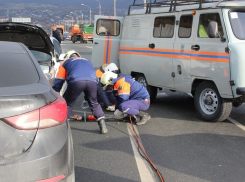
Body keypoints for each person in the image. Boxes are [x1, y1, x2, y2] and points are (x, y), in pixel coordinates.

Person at [52, 50, 108, 134]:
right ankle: (103, 126)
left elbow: (59, 80)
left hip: (76, 81)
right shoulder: (87, 61)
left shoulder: (65, 62)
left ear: (68, 57)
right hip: (92, 82)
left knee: (68, 104)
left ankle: (64, 128)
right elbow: (92, 75)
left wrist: (54, 93)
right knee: (94, 103)